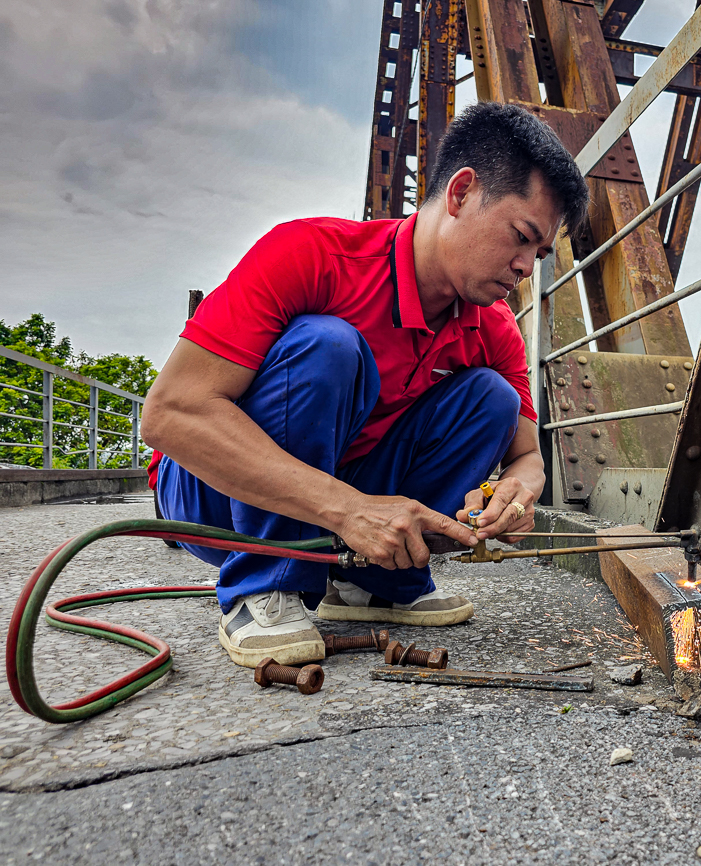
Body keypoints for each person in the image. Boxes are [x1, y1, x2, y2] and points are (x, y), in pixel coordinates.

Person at [142, 102, 589, 668]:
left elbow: (527, 456)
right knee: (330, 346)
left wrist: (517, 493)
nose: (527, 266)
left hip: (336, 491)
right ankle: (264, 585)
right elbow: (169, 415)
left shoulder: (491, 325)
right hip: (211, 498)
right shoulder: (311, 255)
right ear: (460, 194)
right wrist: (350, 511)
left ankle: (375, 582)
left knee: (492, 399)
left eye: (540, 253)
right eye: (521, 238)